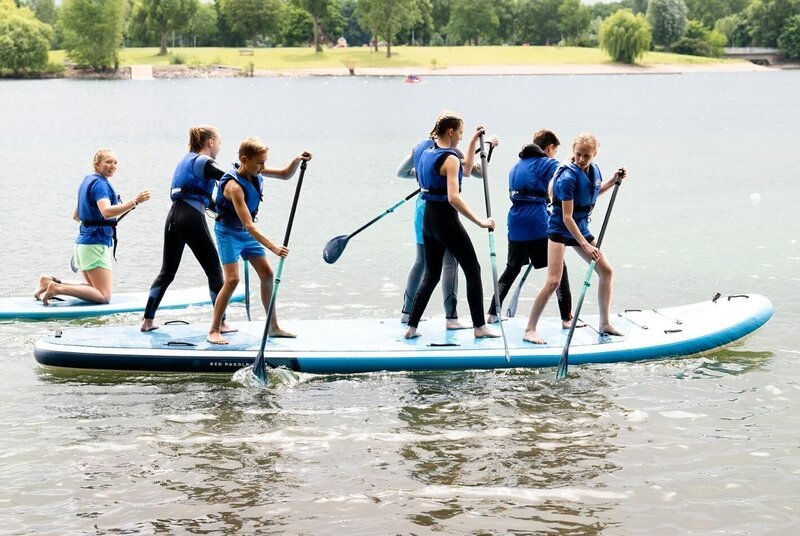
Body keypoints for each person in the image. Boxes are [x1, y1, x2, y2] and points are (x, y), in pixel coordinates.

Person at [523, 132, 627, 344]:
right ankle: (530, 329)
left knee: (606, 271)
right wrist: (586, 246)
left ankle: (604, 323)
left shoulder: (593, 172)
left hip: (580, 227)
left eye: (586, 156)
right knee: (553, 281)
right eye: (578, 154)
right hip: (561, 229)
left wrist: (613, 181)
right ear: (573, 151)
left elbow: (591, 195)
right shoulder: (567, 177)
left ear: (594, 154)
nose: (581, 159)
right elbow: (567, 217)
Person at [207, 137, 311, 345]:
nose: (263, 167)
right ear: (244, 159)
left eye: (265, 162)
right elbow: (249, 225)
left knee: (267, 274)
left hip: (247, 235)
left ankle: (273, 327)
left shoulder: (255, 171)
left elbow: (284, 174)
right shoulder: (234, 187)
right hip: (228, 233)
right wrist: (273, 247)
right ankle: (214, 329)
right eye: (260, 162)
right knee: (232, 280)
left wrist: (297, 160)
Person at [404, 113, 499, 340]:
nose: (460, 138)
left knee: (432, 274)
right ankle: (480, 326)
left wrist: (475, 141)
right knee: (473, 269)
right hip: (446, 219)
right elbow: (453, 197)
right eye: (460, 134)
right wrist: (480, 221)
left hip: (428, 218)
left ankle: (412, 327)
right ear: (450, 132)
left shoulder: (427, 153)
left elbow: (464, 169)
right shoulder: (450, 158)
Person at [141, 126, 229, 332]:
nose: (219, 148)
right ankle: (221, 323)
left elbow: (198, 194)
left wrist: (220, 211)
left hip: (173, 217)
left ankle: (147, 322)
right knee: (215, 271)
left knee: (167, 272)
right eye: (219, 143)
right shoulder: (205, 161)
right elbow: (229, 179)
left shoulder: (185, 161)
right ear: (210, 143)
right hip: (191, 218)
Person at [486, 129, 576, 328]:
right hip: (536, 223)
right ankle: (566, 319)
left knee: (512, 268)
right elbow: (569, 169)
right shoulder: (544, 162)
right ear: (550, 148)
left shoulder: (516, 166)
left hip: (515, 222)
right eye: (554, 151)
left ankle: (493, 313)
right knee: (559, 268)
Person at [35, 150, 150, 305]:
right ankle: (56, 288)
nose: (113, 166)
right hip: (95, 244)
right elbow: (106, 212)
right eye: (108, 162)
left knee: (92, 288)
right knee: (103, 296)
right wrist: (134, 202)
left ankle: (49, 281)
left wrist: (94, 221)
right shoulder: (101, 185)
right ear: (97, 164)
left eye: (115, 162)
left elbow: (76, 216)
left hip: (83, 243)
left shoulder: (87, 181)